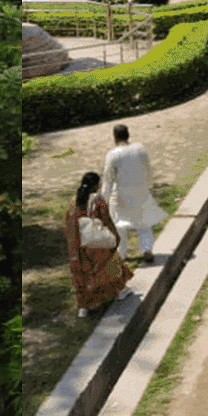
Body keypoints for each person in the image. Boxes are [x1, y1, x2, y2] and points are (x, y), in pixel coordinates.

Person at [64, 171, 133, 318]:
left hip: (81, 245)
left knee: (84, 275)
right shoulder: (98, 200)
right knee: (109, 268)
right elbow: (106, 220)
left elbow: (69, 223)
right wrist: (115, 235)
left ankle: (84, 307)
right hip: (98, 244)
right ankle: (119, 292)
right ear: (96, 186)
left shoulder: (73, 201)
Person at [102, 124, 167, 263]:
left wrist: (104, 198)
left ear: (115, 137)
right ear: (128, 135)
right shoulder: (140, 150)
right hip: (141, 191)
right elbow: (148, 170)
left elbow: (108, 180)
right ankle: (147, 250)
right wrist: (149, 188)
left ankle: (122, 253)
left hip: (121, 195)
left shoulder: (113, 155)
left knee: (119, 225)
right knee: (144, 222)